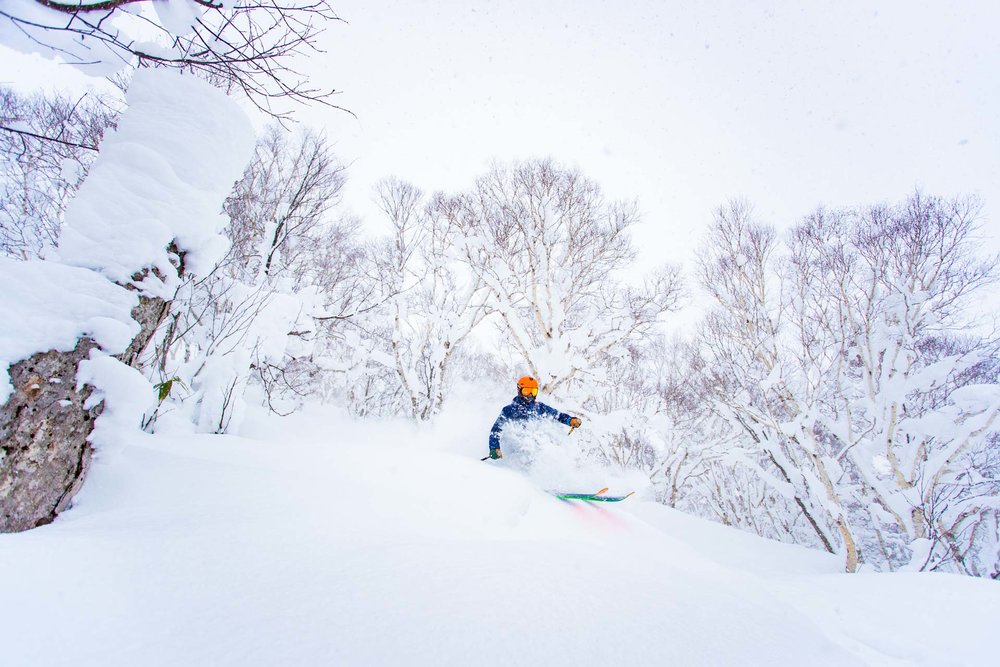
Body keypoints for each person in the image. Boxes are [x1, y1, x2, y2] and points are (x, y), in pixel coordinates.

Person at [488, 376, 582, 460]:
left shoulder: (539, 407)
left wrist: (570, 420)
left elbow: (557, 415)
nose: (530, 395)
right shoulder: (509, 410)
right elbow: (496, 430)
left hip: (537, 451)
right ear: (519, 390)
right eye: (526, 391)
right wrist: (494, 448)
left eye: (533, 391)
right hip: (516, 451)